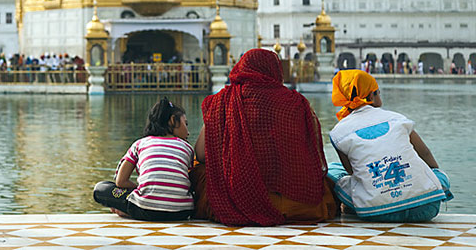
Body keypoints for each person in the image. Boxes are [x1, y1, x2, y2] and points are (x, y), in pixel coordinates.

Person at [190, 48, 336, 226]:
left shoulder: (222, 101)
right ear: (276, 71)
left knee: (200, 170)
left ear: (241, 68)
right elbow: (313, 154)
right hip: (294, 201)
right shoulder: (297, 103)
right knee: (326, 183)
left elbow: (201, 155)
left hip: (236, 196)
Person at [327, 70, 453, 221]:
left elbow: (352, 172)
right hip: (426, 208)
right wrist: (434, 172)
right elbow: (425, 153)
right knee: (438, 176)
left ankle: (350, 207)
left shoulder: (339, 132)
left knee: (334, 171)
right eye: (378, 92)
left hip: (375, 212)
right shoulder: (397, 119)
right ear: (372, 97)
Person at [93, 97, 194, 221]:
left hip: (145, 209)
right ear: (173, 121)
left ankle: (128, 210)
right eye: (186, 124)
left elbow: (121, 181)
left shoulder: (140, 144)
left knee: (101, 188)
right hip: (182, 212)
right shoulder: (187, 148)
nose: (188, 132)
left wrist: (142, 189)